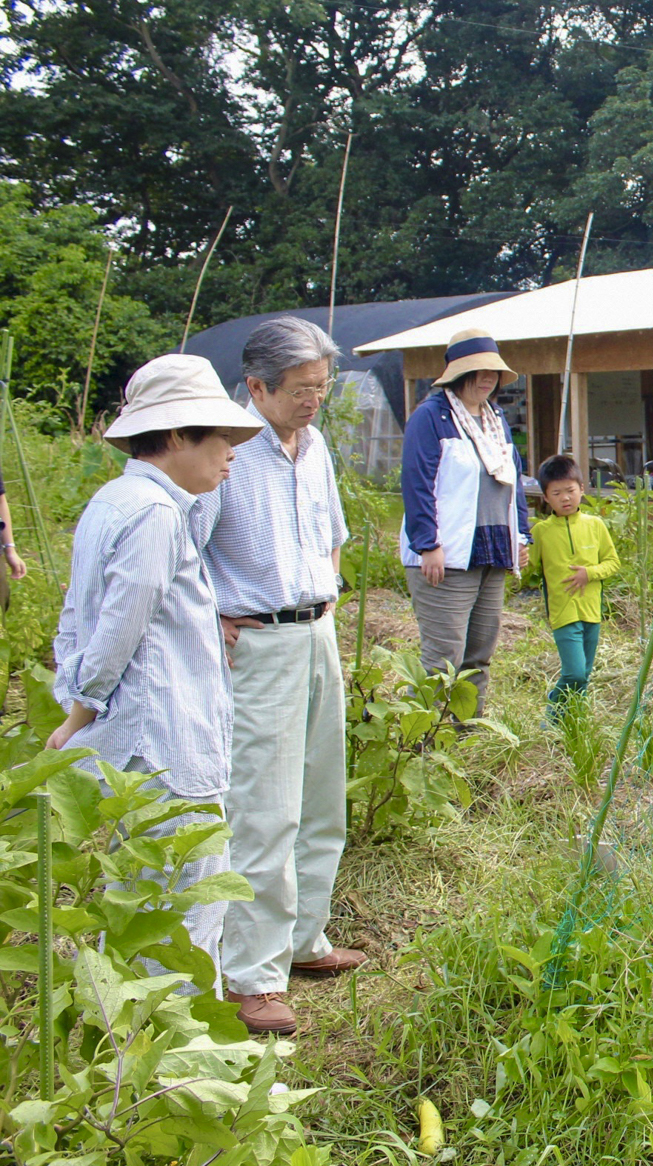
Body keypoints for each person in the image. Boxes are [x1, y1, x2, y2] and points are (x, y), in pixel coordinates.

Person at [47, 355, 262, 985]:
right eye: (220, 438)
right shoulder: (155, 514)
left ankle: (135, 1025)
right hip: (165, 740)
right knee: (183, 904)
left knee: (141, 899)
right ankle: (179, 1035)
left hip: (144, 736)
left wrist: (77, 701)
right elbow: (120, 628)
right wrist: (79, 712)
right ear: (174, 436)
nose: (231, 454)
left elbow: (75, 616)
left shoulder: (114, 501)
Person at [192, 318, 361, 1036]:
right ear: (256, 386)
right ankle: (252, 974)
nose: (313, 400)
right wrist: (212, 617)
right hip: (258, 642)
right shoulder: (225, 452)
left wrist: (328, 594)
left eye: (321, 387)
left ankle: (303, 938)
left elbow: (332, 534)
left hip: (316, 630)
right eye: (300, 389)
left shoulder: (314, 446)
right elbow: (185, 550)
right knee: (263, 808)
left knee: (321, 794)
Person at [400, 328, 531, 716]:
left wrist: (521, 536)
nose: (487, 378)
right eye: (478, 371)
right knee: (443, 661)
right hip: (449, 554)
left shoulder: (496, 419)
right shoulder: (431, 417)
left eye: (493, 371)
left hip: (492, 550)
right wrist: (427, 543)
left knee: (478, 657)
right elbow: (417, 482)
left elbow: (513, 482)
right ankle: (423, 740)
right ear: (458, 373)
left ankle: (466, 736)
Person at [528, 454, 621, 719]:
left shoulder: (595, 525)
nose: (565, 498)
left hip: (591, 611)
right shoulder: (541, 532)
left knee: (585, 674)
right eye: (556, 493)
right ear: (546, 498)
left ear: (582, 489)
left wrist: (589, 573)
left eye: (570, 491)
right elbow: (527, 569)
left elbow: (613, 563)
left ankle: (574, 721)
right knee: (575, 672)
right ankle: (553, 714)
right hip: (563, 612)